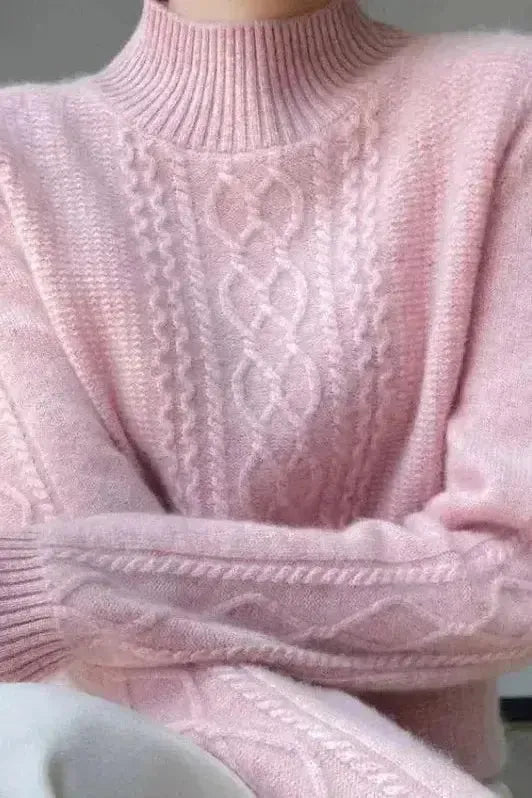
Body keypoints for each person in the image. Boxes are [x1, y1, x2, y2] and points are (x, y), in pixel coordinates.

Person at [0, 0, 529, 794]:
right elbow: (118, 664)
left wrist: (76, 584)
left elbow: (508, 578)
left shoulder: (503, 103)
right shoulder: (16, 156)